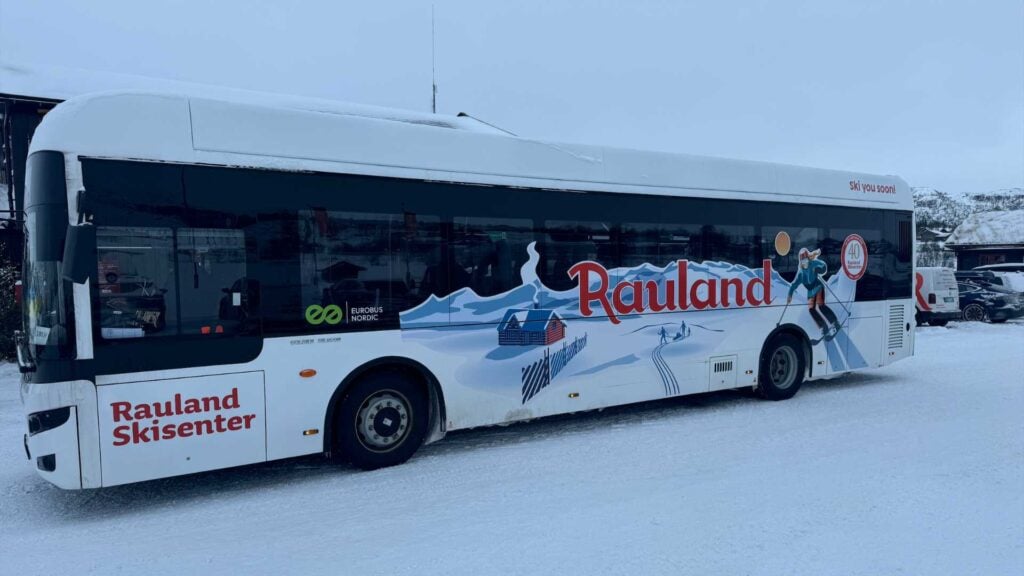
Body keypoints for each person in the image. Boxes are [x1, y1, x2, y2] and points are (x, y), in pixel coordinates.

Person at [787, 248, 841, 339]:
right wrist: (790, 295)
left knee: (820, 306)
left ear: (808, 259)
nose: (804, 262)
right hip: (811, 291)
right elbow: (794, 285)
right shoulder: (801, 274)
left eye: (805, 259)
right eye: (802, 260)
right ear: (800, 261)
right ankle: (824, 327)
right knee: (811, 309)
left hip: (818, 286)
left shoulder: (813, 264)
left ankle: (835, 323)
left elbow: (823, 267)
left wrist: (819, 269)